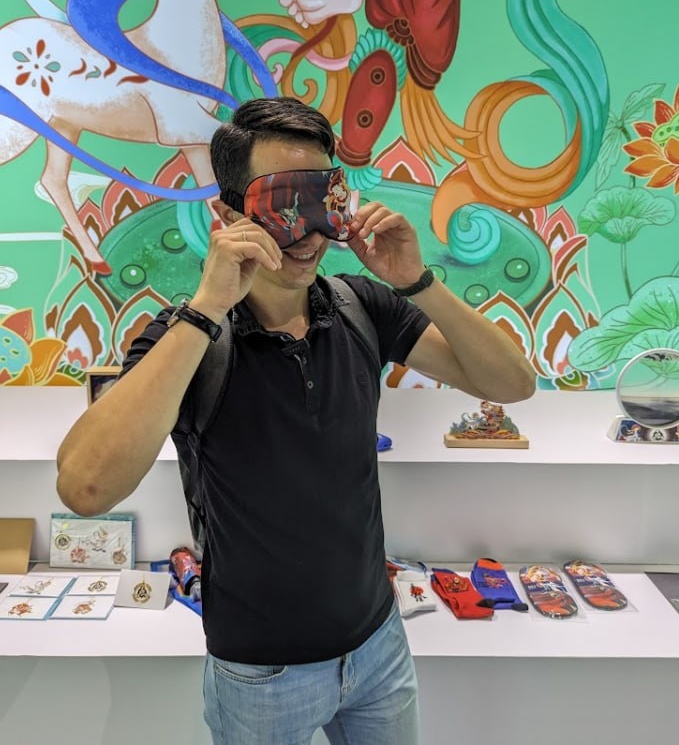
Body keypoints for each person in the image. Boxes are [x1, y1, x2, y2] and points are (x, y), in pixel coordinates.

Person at [56, 96, 535, 745]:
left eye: (324, 202)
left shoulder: (362, 306)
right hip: (260, 671)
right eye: (284, 206)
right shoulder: (190, 338)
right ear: (229, 214)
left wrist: (416, 281)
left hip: (377, 644)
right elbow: (85, 489)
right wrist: (206, 309)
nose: (309, 235)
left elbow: (512, 383)